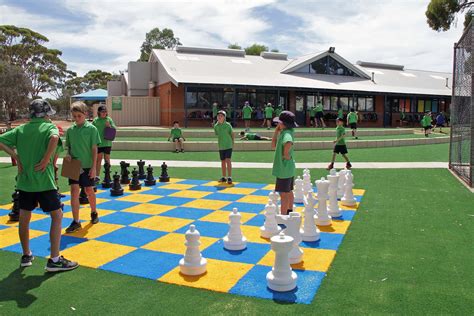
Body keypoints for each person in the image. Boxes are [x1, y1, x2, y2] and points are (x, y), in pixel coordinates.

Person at [0, 99, 78, 271]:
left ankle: (26, 255)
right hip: (44, 182)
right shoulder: (48, 127)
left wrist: (16, 157)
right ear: (46, 114)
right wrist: (45, 159)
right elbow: (54, 137)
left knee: (24, 218)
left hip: (25, 182)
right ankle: (55, 259)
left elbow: (0, 140)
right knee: (57, 216)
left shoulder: (21, 129)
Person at [65, 101, 101, 233]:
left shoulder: (92, 129)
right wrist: (68, 155)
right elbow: (68, 147)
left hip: (87, 166)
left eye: (79, 116)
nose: (76, 119)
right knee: (74, 191)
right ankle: (76, 221)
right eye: (74, 116)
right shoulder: (70, 130)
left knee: (88, 190)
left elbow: (94, 149)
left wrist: (93, 168)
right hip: (73, 165)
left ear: (85, 114)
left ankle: (94, 212)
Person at [272, 111, 297, 215]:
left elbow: (288, 142)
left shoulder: (286, 134)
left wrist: (285, 154)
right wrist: (276, 132)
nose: (277, 125)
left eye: (279, 123)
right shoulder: (286, 131)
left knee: (283, 194)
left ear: (284, 124)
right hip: (288, 168)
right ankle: (290, 211)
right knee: (289, 191)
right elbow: (273, 146)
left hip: (283, 169)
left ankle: (283, 216)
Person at [92, 105, 116, 182]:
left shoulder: (109, 119)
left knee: (107, 159)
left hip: (107, 143)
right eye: (103, 112)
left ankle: (107, 175)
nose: (104, 113)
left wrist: (110, 126)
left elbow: (114, 129)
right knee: (98, 160)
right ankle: (97, 176)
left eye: (105, 111)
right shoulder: (95, 120)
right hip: (98, 143)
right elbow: (91, 130)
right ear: (99, 112)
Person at [214, 110, 234, 184]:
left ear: (224, 117)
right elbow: (216, 134)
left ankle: (229, 177)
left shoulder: (228, 125)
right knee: (222, 161)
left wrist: (233, 143)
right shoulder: (216, 126)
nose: (219, 117)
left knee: (228, 160)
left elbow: (232, 134)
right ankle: (223, 177)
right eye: (218, 116)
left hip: (228, 145)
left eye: (221, 116)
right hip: (221, 146)